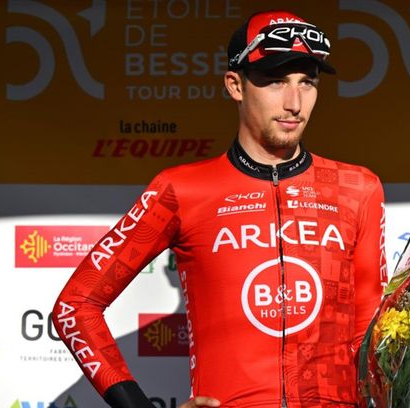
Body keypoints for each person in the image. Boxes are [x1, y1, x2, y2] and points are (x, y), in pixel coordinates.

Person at [52, 10, 387, 408]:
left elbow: (370, 331)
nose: (294, 102)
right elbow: (75, 307)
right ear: (235, 85)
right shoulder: (182, 190)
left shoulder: (357, 188)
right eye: (275, 80)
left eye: (307, 82)